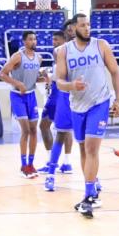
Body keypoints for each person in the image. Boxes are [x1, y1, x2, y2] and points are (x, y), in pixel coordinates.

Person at [57, 13, 119, 218]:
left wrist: (118, 99)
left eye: (88, 25)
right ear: (73, 29)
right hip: (77, 105)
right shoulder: (63, 51)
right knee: (83, 149)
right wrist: (71, 85)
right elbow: (59, 81)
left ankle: (88, 197)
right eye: (83, 25)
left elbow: (115, 72)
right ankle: (92, 186)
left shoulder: (101, 45)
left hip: (99, 102)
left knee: (92, 148)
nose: (87, 28)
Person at [0, 31, 46, 178]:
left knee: (33, 131)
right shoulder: (18, 56)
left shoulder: (39, 58)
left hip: (31, 95)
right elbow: (2, 74)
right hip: (17, 96)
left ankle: (31, 164)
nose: (34, 41)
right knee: (25, 131)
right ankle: (23, 165)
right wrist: (17, 83)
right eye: (31, 39)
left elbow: (34, 79)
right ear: (24, 42)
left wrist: (44, 78)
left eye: (35, 39)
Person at [38, 31, 74, 174]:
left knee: (45, 125)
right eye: (53, 40)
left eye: (56, 39)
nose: (54, 42)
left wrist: (47, 74)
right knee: (63, 128)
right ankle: (66, 163)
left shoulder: (61, 52)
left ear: (64, 40)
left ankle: (52, 162)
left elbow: (62, 76)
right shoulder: (63, 54)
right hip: (60, 94)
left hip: (60, 95)